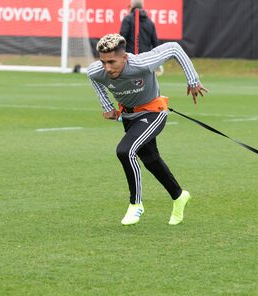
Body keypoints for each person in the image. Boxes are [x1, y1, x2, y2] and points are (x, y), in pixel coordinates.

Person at [87, 34, 207, 226]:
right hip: (129, 117)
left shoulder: (142, 63)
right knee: (151, 160)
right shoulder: (96, 71)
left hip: (153, 112)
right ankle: (179, 196)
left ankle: (136, 204)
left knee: (125, 150)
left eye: (112, 61)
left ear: (124, 57)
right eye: (103, 62)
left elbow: (174, 48)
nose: (107, 68)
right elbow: (93, 78)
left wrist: (193, 81)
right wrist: (107, 106)